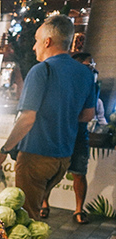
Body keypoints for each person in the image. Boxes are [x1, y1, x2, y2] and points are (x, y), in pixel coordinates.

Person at [0, 15, 96, 220]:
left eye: (36, 40)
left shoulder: (41, 71)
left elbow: (27, 119)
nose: (33, 47)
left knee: (25, 217)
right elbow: (88, 115)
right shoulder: (85, 73)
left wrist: (3, 151)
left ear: (48, 42)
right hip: (63, 158)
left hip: (35, 155)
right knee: (35, 210)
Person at [50, 52, 98, 224]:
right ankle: (43, 203)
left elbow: (88, 114)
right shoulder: (63, 83)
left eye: (92, 66)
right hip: (60, 133)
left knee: (79, 172)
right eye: (87, 66)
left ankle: (78, 209)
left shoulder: (92, 85)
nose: (91, 69)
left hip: (79, 135)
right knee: (51, 171)